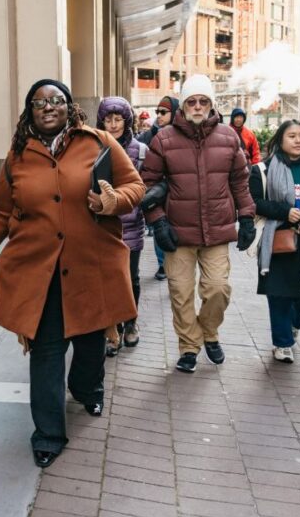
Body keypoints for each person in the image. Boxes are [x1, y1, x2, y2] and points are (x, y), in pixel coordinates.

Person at [0, 79, 144, 468]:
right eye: (39, 102)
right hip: (38, 271)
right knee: (46, 350)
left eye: (57, 100)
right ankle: (47, 432)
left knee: (91, 340)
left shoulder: (98, 142)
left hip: (91, 265)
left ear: (69, 107)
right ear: (30, 110)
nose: (48, 107)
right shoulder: (17, 155)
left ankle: (87, 388)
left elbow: (135, 185)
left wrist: (113, 201)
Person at [141, 74, 256, 373]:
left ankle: (209, 332)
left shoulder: (229, 137)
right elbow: (148, 185)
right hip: (178, 233)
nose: (197, 106)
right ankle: (189, 347)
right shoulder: (163, 139)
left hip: (217, 230)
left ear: (211, 104)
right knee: (180, 294)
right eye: (191, 101)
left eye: (203, 101)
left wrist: (246, 218)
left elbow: (241, 183)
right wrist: (158, 222)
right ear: (183, 104)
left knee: (218, 288)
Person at [249, 120, 300, 364]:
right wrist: (284, 211)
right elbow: (253, 201)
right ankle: (283, 343)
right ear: (280, 140)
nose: (298, 140)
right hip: (279, 240)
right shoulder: (262, 169)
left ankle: (293, 322)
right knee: (279, 294)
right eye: (292, 136)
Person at [97, 96, 146, 356]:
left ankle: (131, 324)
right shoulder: (93, 146)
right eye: (108, 119)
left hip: (131, 225)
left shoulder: (140, 149)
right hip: (103, 227)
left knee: (131, 278)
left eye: (118, 119)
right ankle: (111, 329)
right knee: (108, 280)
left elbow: (148, 184)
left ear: (127, 121)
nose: (113, 124)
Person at [138, 95, 179, 280]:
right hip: (157, 195)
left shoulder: (182, 136)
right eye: (158, 112)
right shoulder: (149, 136)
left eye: (164, 112)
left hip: (180, 196)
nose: (159, 116)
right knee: (159, 230)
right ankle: (163, 264)